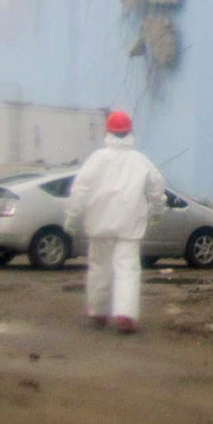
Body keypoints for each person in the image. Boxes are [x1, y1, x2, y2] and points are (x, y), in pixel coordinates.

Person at [63, 110, 166, 334]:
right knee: (127, 268)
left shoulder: (97, 159)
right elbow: (157, 186)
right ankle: (125, 315)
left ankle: (98, 311)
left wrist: (72, 215)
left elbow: (80, 188)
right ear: (130, 132)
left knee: (99, 267)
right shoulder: (139, 160)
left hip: (99, 223)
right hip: (129, 225)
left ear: (108, 132)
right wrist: (157, 211)